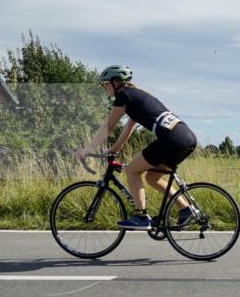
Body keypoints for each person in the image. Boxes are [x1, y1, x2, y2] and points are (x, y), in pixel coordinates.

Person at [74, 65, 198, 229]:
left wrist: (86, 149)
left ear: (116, 82)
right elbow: (129, 128)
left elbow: (108, 126)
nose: (105, 88)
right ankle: (186, 210)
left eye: (106, 84)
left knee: (132, 170)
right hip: (186, 137)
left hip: (171, 139)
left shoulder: (123, 96)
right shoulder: (137, 96)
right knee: (152, 178)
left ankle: (141, 217)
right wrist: (115, 149)